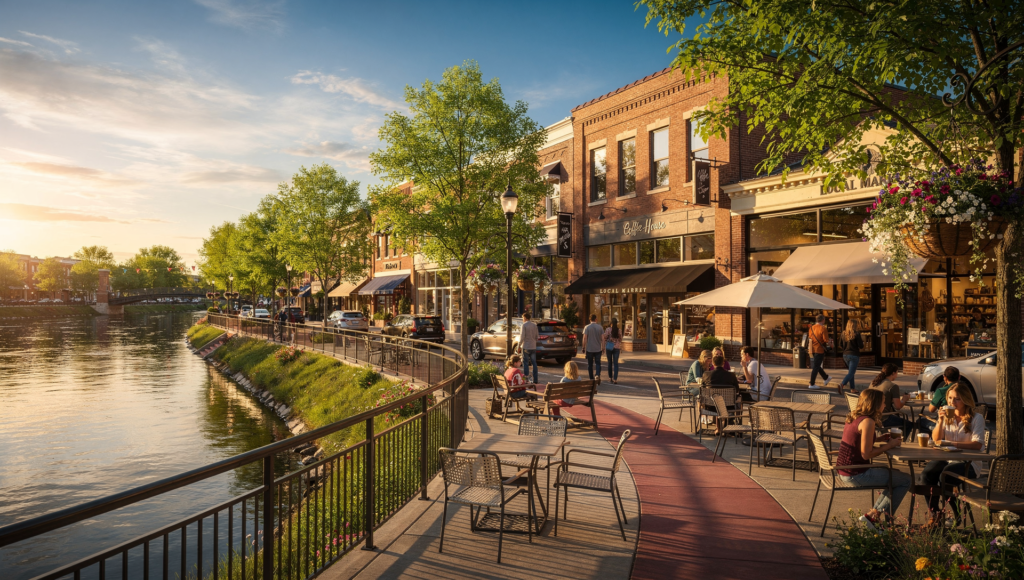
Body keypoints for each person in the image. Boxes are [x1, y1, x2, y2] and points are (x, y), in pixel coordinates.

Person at [835, 389, 912, 526]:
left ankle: (872, 515)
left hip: (845, 470)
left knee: (897, 476)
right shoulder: (868, 422)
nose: (884, 406)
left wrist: (879, 438)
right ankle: (885, 521)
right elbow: (866, 454)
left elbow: (857, 441)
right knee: (906, 480)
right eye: (882, 402)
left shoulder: (854, 416)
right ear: (874, 404)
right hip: (856, 473)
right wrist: (890, 445)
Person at [921, 383, 986, 526]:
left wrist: (954, 444)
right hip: (947, 458)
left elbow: (978, 445)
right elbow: (937, 440)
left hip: (968, 462)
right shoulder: (946, 416)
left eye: (957, 399)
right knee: (927, 474)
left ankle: (956, 515)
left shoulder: (976, 418)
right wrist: (941, 421)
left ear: (965, 400)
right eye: (950, 398)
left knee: (946, 475)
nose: (952, 402)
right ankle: (935, 514)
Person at [868, 363, 913, 433]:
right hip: (883, 417)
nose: (897, 375)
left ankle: (891, 439)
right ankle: (899, 441)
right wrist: (904, 399)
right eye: (897, 372)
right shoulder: (893, 386)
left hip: (871, 416)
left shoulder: (874, 382)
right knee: (908, 425)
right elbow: (898, 406)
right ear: (893, 373)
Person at [917, 366, 960, 433]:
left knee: (920, 421)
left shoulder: (941, 391)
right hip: (962, 422)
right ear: (959, 377)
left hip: (946, 425)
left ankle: (931, 440)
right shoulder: (965, 390)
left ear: (945, 377)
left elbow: (931, 409)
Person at [807, 314, 833, 390]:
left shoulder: (811, 328)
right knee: (816, 366)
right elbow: (826, 340)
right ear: (823, 320)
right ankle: (812, 383)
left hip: (813, 349)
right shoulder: (823, 328)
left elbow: (810, 337)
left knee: (816, 365)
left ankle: (826, 377)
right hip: (820, 349)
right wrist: (832, 345)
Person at [840, 319, 863, 395]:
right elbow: (861, 346)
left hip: (845, 355)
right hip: (854, 354)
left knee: (851, 372)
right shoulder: (857, 334)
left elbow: (840, 345)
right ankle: (842, 384)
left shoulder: (843, 333)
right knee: (851, 373)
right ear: (854, 325)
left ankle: (852, 388)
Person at [582, 314, 604, 381]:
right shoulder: (600, 327)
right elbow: (603, 338)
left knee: (590, 364)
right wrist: (603, 347)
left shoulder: (587, 327)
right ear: (596, 319)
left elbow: (585, 338)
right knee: (598, 363)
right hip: (597, 348)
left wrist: (583, 347)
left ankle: (591, 378)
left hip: (589, 348)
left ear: (590, 319)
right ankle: (597, 374)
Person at [520, 312, 539, 384]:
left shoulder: (524, 325)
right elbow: (537, 336)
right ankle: (536, 379)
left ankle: (526, 379)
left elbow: (522, 336)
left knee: (525, 363)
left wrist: (519, 345)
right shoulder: (534, 325)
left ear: (525, 318)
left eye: (522, 318)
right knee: (534, 362)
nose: (522, 319)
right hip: (533, 346)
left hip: (526, 346)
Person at [603, 317, 623, 384]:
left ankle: (610, 377)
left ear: (611, 323)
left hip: (609, 347)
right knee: (616, 363)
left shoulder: (608, 330)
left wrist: (607, 341)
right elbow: (620, 339)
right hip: (616, 347)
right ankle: (615, 379)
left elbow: (605, 337)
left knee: (609, 362)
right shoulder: (619, 330)